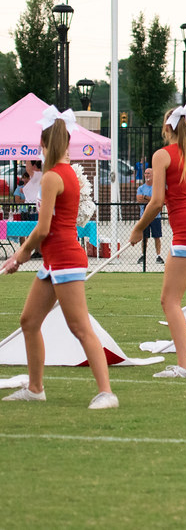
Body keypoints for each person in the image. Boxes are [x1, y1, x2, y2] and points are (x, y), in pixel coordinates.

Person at [0, 107, 117, 409]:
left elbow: (43, 228)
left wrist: (19, 256)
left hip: (64, 259)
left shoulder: (54, 176)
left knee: (79, 327)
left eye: (40, 145)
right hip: (54, 261)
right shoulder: (60, 174)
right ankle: (36, 387)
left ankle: (107, 393)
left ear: (47, 144)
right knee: (29, 321)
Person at [130, 104, 186, 378]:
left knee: (169, 300)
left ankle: (184, 365)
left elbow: (156, 202)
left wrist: (138, 229)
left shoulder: (162, 155)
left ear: (168, 127)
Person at [135, 167, 164, 265]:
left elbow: (157, 200)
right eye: (146, 173)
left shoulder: (157, 187)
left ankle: (158, 256)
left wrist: (145, 197)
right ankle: (143, 255)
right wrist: (150, 199)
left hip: (156, 216)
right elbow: (139, 199)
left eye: (149, 174)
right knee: (145, 237)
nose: (147, 175)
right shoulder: (141, 188)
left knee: (157, 237)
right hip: (144, 216)